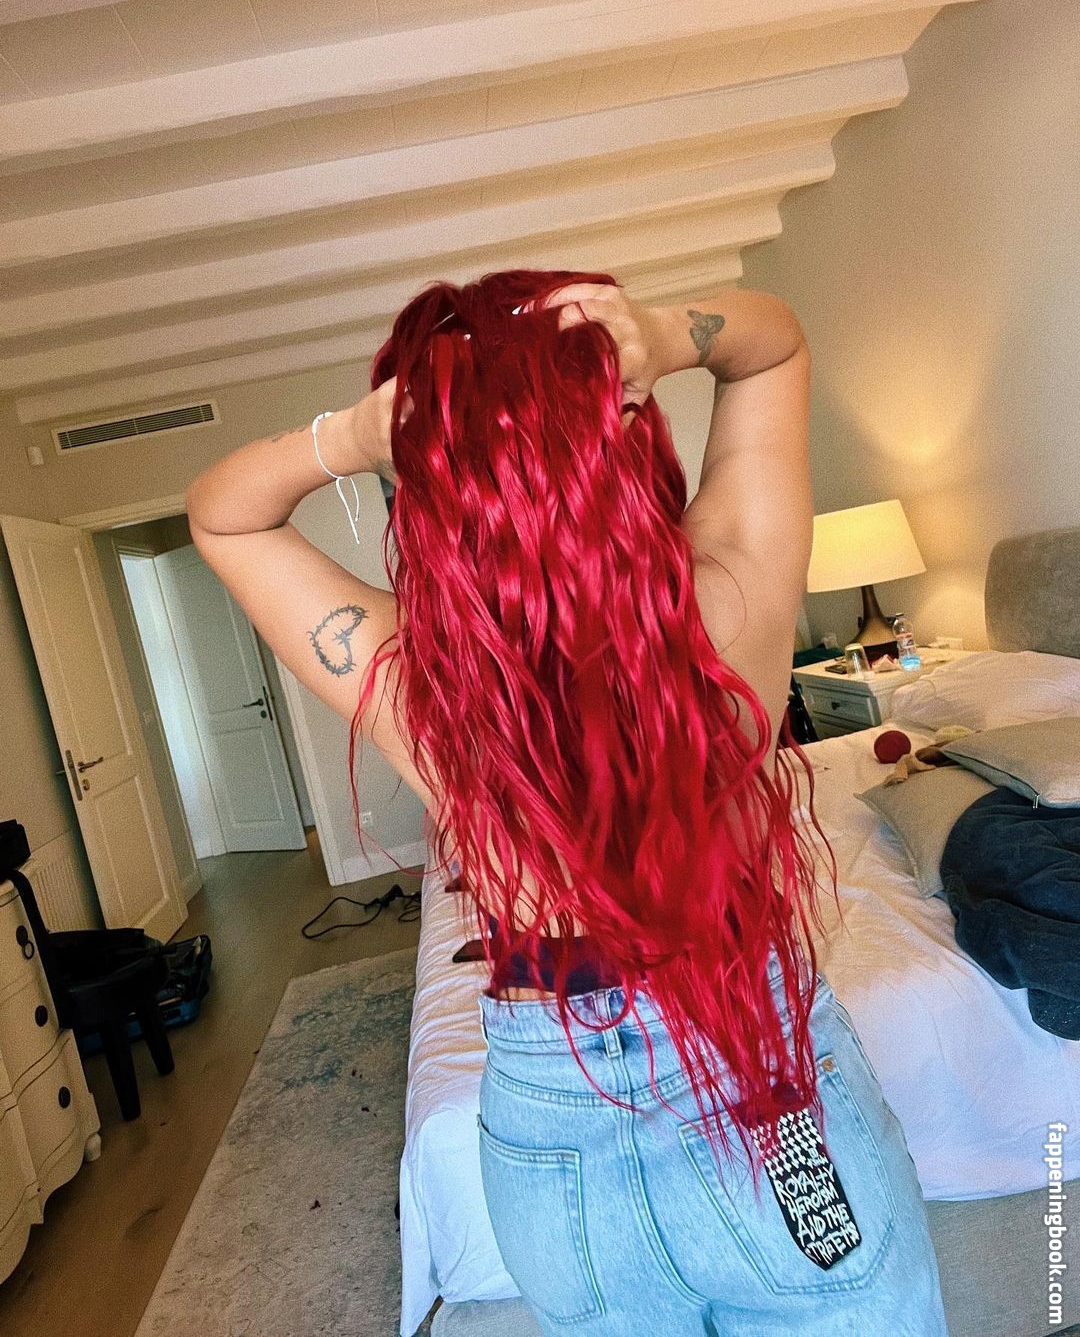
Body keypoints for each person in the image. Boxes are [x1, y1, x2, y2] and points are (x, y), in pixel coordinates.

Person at [185, 272, 948, 1335]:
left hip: (554, 1135)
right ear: (621, 439)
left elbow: (224, 516)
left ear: (433, 494)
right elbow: (773, 345)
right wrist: (662, 334)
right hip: (759, 1090)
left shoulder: (423, 685)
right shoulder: (731, 586)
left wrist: (358, 435)